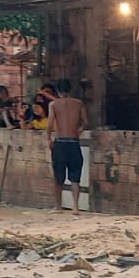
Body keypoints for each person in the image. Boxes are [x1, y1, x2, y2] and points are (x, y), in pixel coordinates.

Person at [46, 79, 88, 214]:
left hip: (60, 143)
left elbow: (50, 123)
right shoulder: (79, 103)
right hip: (74, 143)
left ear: (58, 91)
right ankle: (75, 207)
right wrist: (79, 131)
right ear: (70, 89)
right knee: (75, 176)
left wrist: (48, 138)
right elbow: (85, 122)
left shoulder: (54, 104)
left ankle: (58, 207)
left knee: (59, 177)